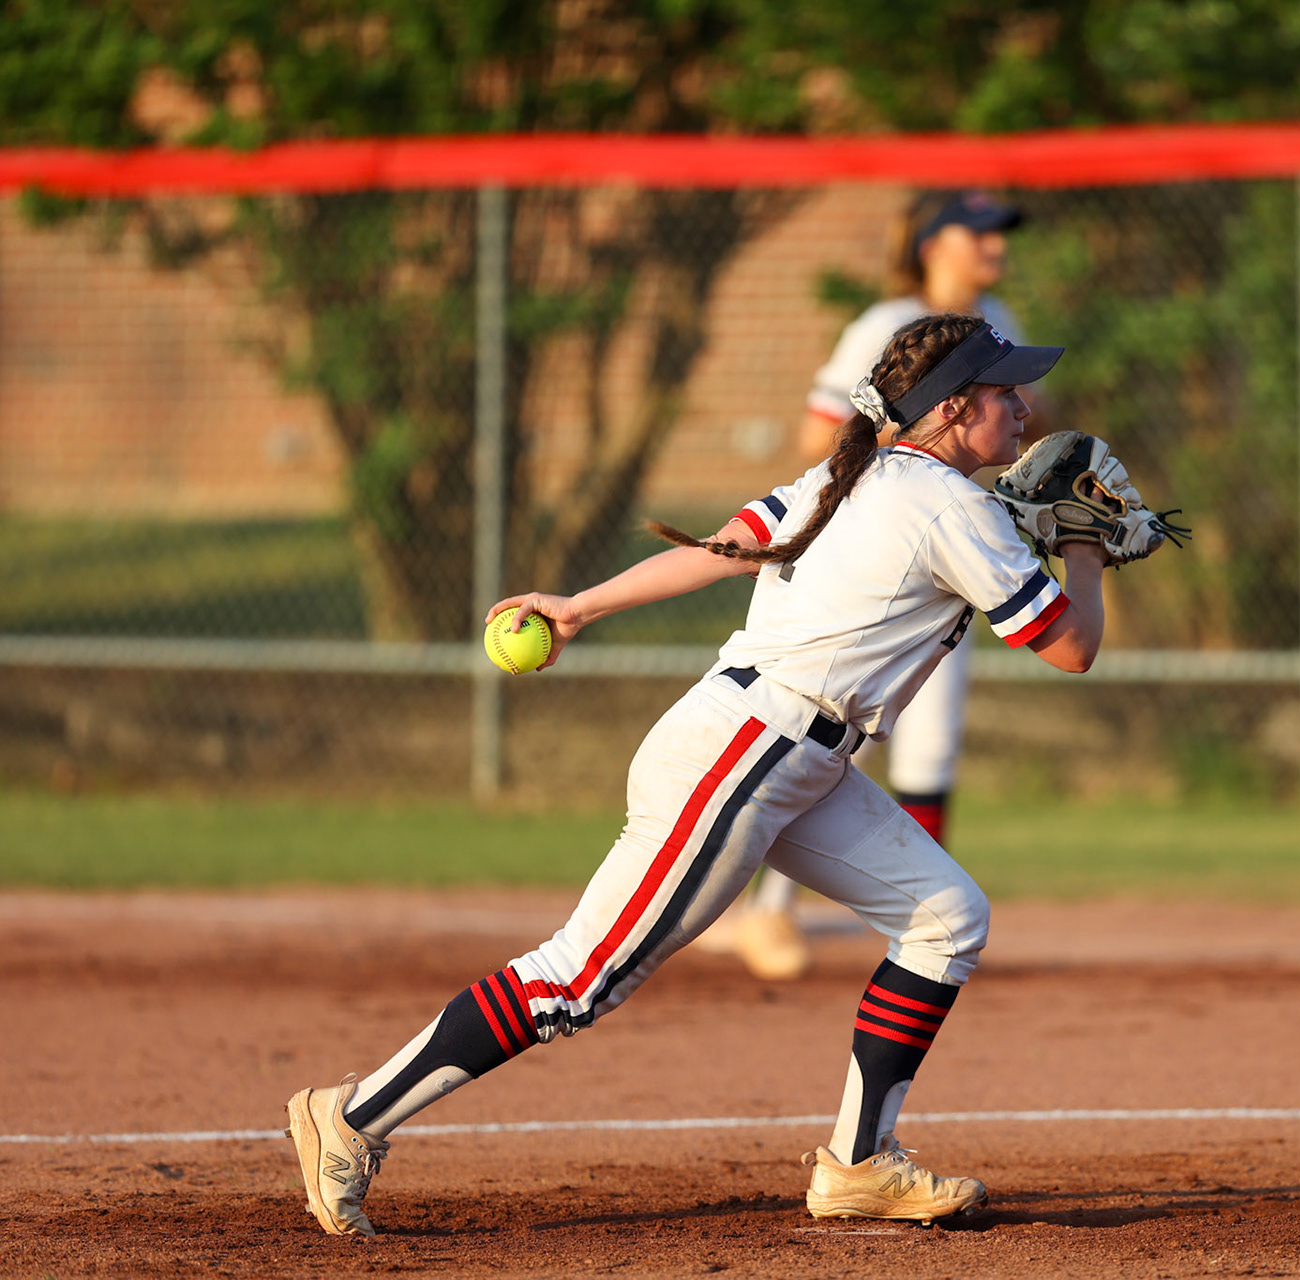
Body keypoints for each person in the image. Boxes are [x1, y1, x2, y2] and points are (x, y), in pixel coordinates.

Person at [285, 315, 1112, 1235]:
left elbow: (721, 550)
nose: (1026, 408)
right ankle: (349, 1118)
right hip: (748, 755)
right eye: (1005, 393)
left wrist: (581, 605)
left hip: (787, 757)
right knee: (578, 978)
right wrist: (1085, 546)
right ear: (953, 408)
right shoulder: (946, 505)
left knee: (945, 919)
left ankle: (860, 1165)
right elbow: (1071, 646)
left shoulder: (870, 477)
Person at [727, 190, 1030, 981]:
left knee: (931, 749)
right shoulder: (882, 324)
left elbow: (1024, 430)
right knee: (835, 741)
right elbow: (819, 433)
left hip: (955, 570)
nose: (995, 246)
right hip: (878, 570)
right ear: (933, 244)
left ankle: (918, 929)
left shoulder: (1002, 320)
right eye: (980, 231)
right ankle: (770, 915)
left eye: (1000, 233)